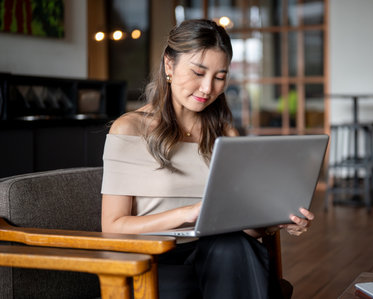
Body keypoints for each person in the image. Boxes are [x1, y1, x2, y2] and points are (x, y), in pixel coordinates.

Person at [101, 19, 315, 299]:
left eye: (219, 77)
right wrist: (186, 214)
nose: (207, 88)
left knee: (232, 245)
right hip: (156, 258)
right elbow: (113, 227)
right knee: (232, 253)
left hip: (221, 252)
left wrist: (278, 220)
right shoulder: (130, 129)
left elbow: (243, 225)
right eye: (198, 72)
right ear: (169, 65)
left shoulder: (224, 133)